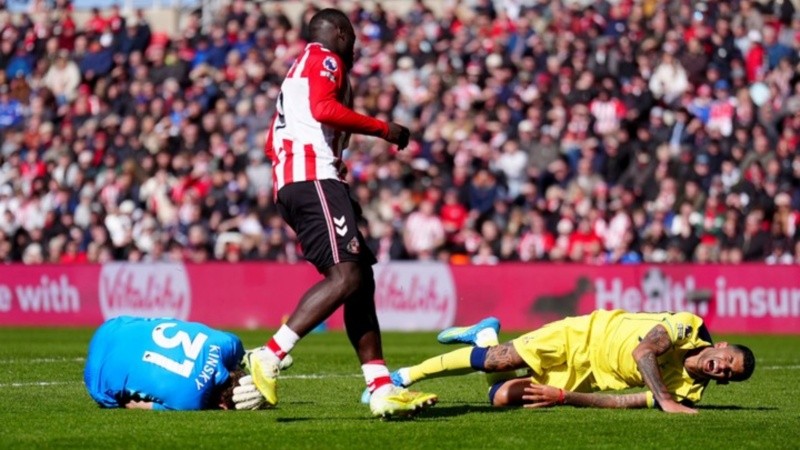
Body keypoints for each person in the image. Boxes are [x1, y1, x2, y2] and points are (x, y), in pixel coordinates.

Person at [248, 8, 437, 417]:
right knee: (347, 275)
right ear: (337, 33)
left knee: (360, 280)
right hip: (313, 180)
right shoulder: (325, 58)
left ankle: (381, 386)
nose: (353, 45)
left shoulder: (296, 70)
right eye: (349, 36)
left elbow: (272, 140)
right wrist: (385, 129)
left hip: (303, 180)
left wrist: (328, 160)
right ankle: (269, 355)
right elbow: (323, 109)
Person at [382, 310, 756, 414]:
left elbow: (620, 401)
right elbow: (643, 353)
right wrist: (666, 400)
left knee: (498, 396)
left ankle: (484, 334)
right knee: (497, 362)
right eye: (727, 359)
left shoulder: (690, 393)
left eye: (728, 373)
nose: (722, 367)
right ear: (719, 345)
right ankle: (401, 377)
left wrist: (562, 396)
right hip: (583, 334)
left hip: (589, 376)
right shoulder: (687, 326)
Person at [84, 316, 291, 411]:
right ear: (223, 406)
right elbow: (135, 405)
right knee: (123, 399)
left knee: (158, 325)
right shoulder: (189, 403)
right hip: (96, 379)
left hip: (113, 325)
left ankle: (262, 355)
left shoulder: (229, 344)